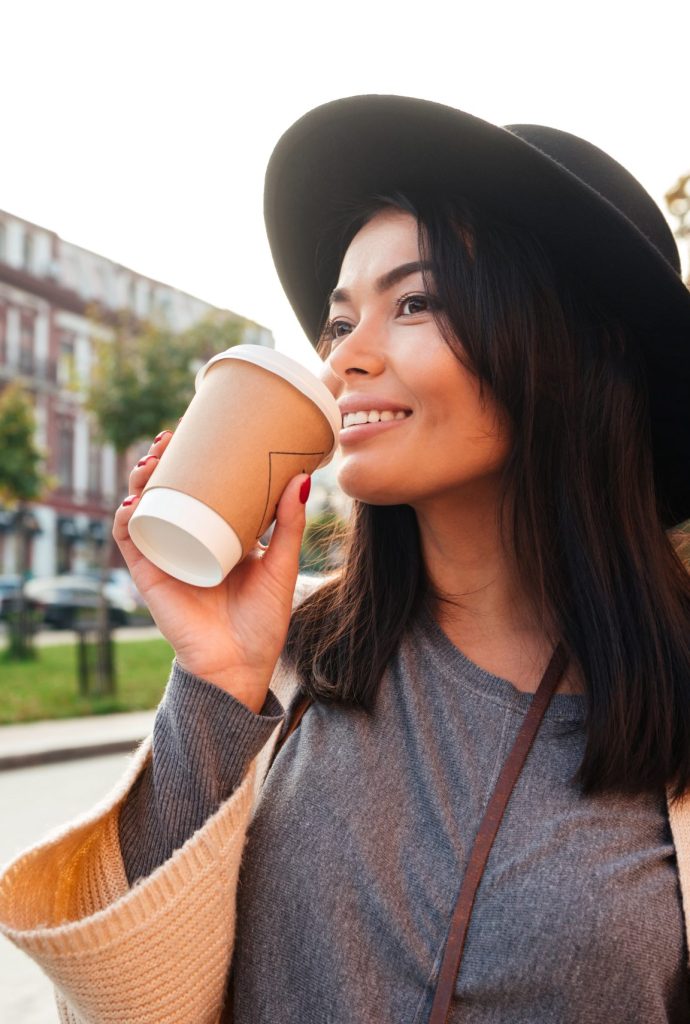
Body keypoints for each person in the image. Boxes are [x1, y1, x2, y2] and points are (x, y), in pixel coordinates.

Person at [1, 95, 690, 1024]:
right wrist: (215, 681)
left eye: (415, 302)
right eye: (337, 321)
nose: (342, 361)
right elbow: (122, 1010)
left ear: (572, 350)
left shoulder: (674, 700)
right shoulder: (290, 664)